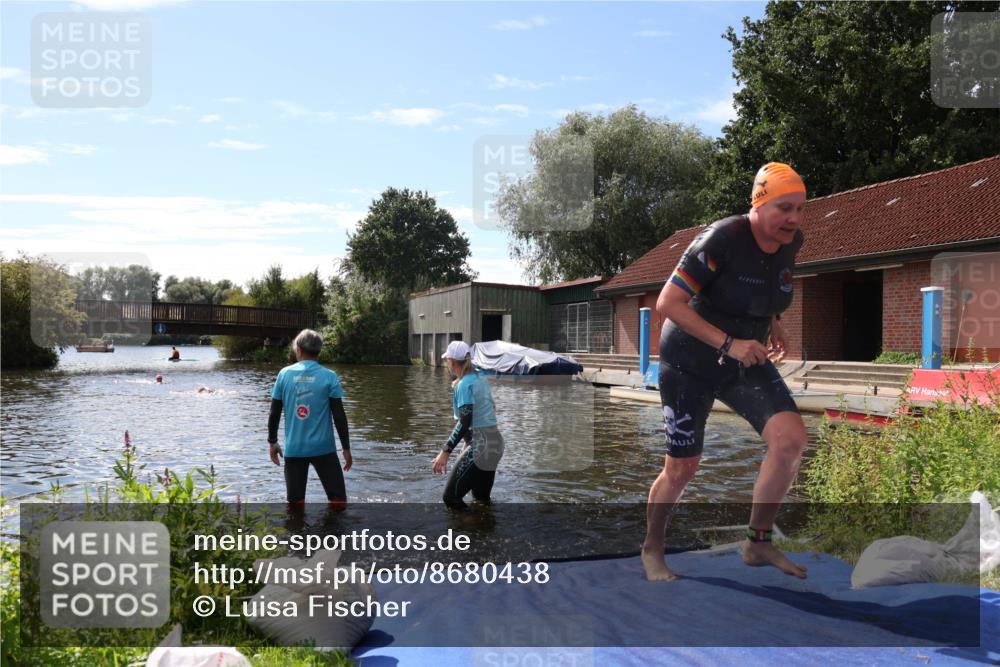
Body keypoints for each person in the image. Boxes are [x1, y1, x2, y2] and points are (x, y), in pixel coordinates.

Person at [642, 162, 809, 582]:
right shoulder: (723, 238)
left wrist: (773, 320)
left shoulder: (791, 242)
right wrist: (730, 343)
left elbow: (765, 287)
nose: (793, 218)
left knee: (790, 442)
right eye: (783, 208)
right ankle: (652, 548)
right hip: (689, 360)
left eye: (800, 208)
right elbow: (668, 304)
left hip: (745, 357)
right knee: (682, 469)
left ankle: (757, 542)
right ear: (759, 205)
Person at [267, 329, 353, 506]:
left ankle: (297, 533)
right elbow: (339, 416)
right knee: (338, 502)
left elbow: (274, 412)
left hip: (294, 449)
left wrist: (272, 441)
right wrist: (346, 447)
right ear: (319, 351)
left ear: (298, 350)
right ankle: (335, 532)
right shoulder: (329, 376)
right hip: (324, 449)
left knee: (295, 505)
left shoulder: (284, 374)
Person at [432, 341, 504, 508]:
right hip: (496, 443)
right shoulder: (480, 378)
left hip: (481, 445)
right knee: (481, 500)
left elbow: (465, 422)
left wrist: (445, 452)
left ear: (451, 361)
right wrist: (467, 445)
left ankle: (467, 531)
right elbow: (492, 409)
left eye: (447, 360)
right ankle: (484, 531)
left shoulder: (464, 385)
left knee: (450, 498)